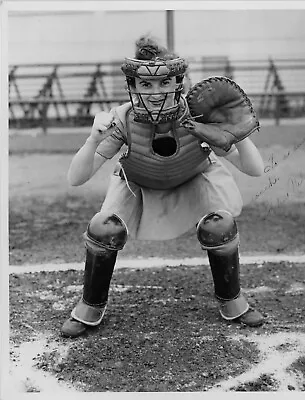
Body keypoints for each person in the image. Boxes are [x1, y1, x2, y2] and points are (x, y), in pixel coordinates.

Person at [61, 35, 265, 338]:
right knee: (104, 228)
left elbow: (254, 169)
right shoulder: (124, 119)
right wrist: (92, 140)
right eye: (145, 84)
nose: (155, 93)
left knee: (219, 225)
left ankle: (231, 299)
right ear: (132, 86)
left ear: (178, 82)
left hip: (192, 178)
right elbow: (76, 178)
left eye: (164, 82)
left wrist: (238, 133)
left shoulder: (196, 114)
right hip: (138, 183)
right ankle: (91, 305)